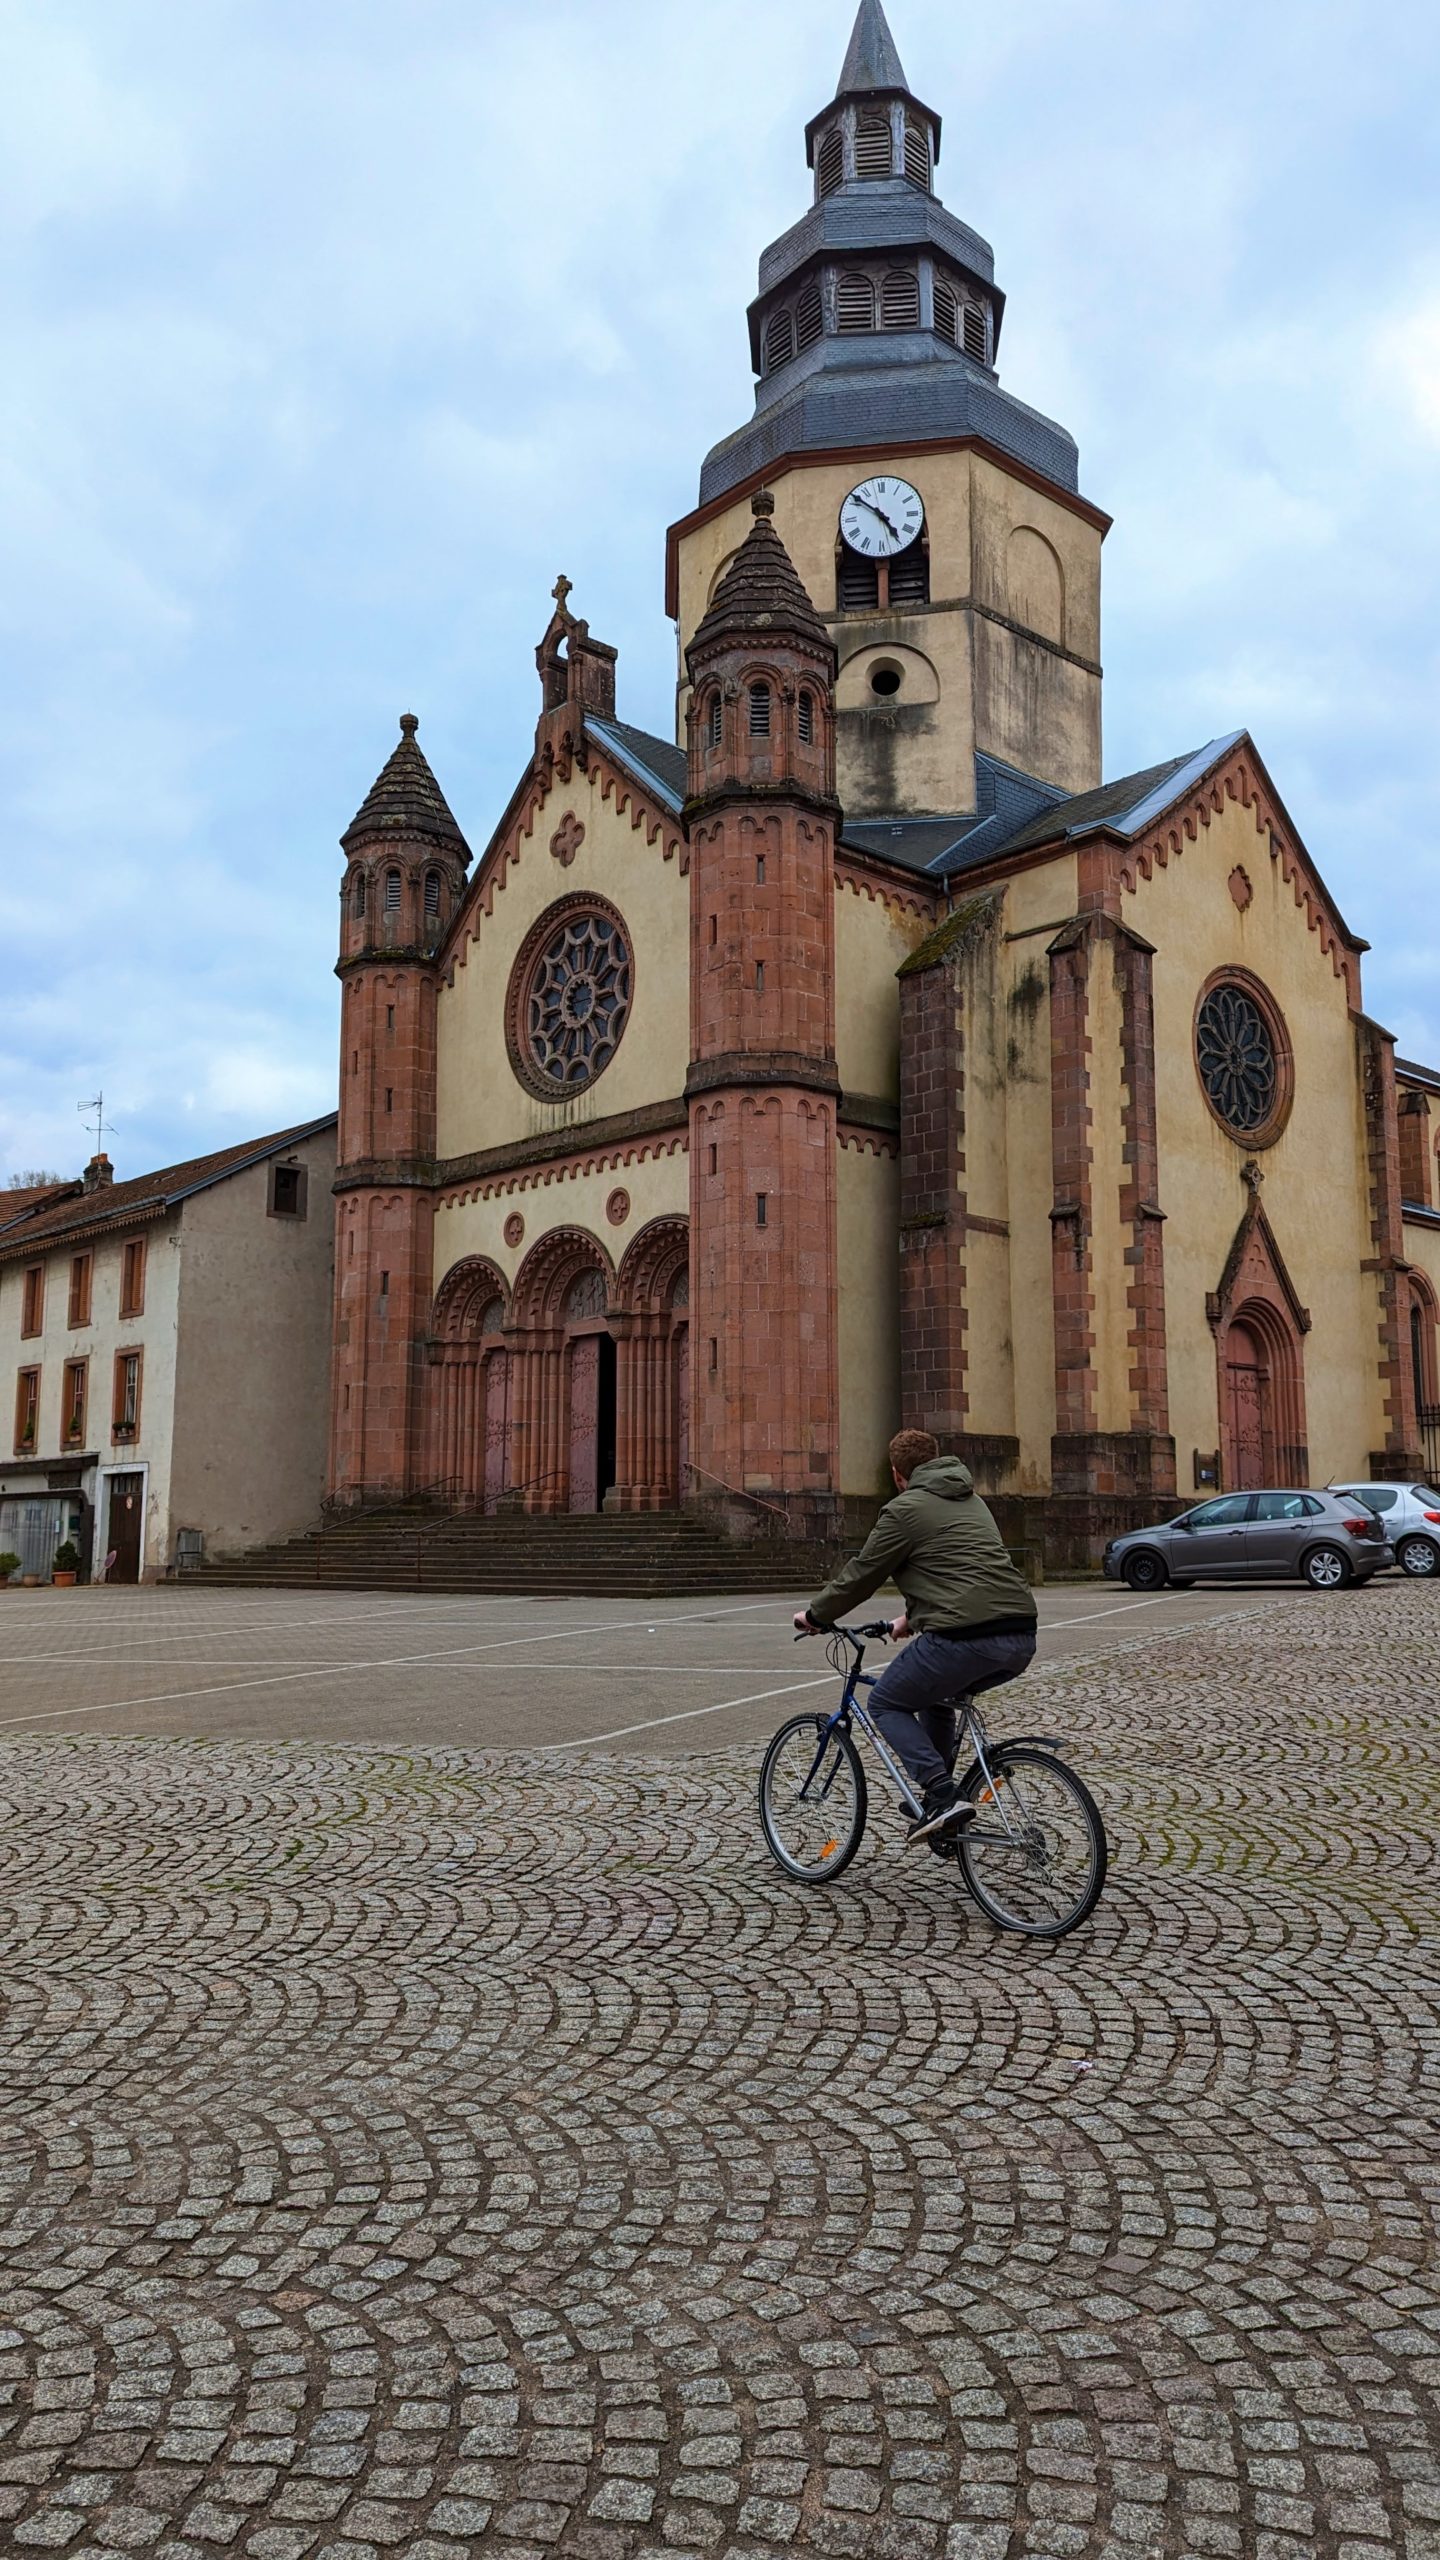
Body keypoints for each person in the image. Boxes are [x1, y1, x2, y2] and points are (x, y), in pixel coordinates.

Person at [795, 1430, 1038, 1847]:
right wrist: (908, 1619)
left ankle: (942, 1794)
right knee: (936, 1697)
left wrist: (815, 1615)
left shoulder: (903, 1510)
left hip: (965, 1637)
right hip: (1020, 1633)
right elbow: (966, 1572)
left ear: (897, 1473)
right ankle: (938, 1798)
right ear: (937, 1462)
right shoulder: (973, 1502)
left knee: (886, 1702)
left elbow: (861, 1576)